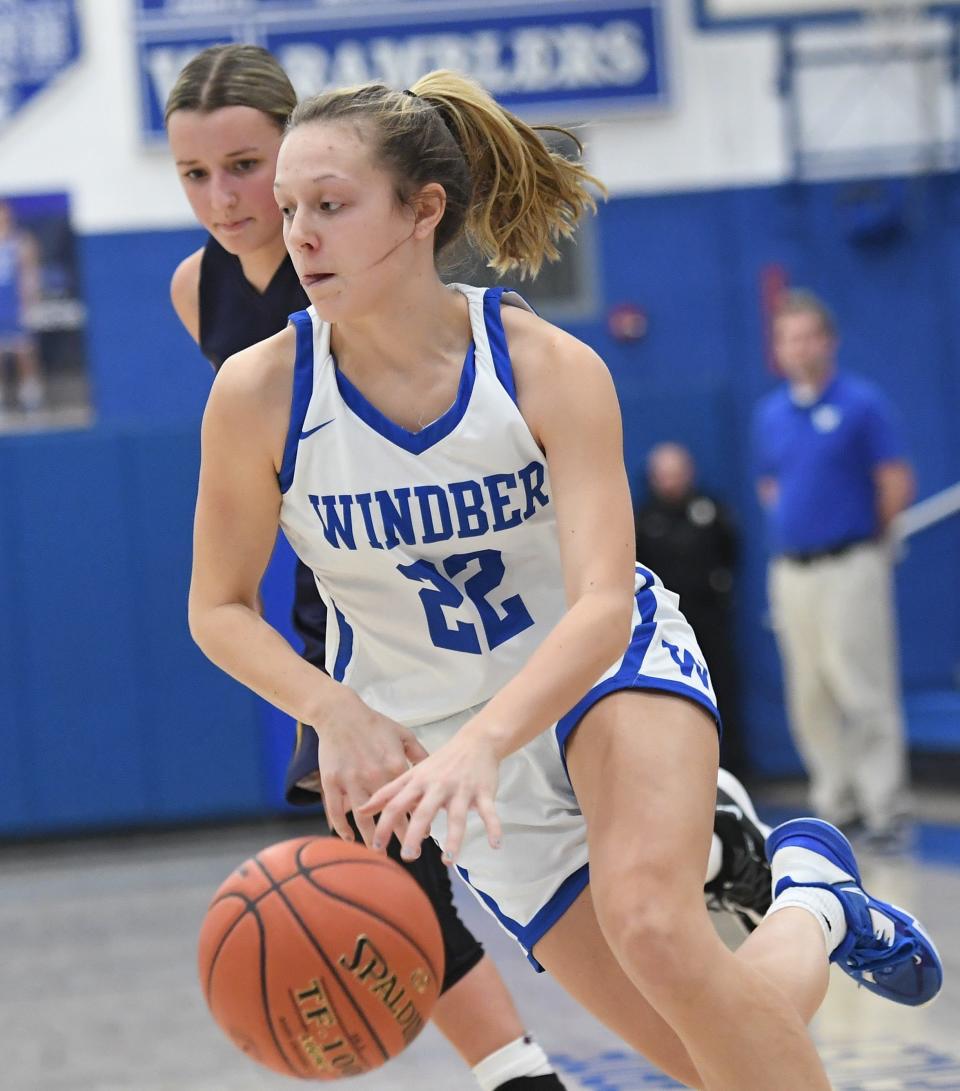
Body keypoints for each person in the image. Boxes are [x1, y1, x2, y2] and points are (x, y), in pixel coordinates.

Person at [186, 69, 941, 1088]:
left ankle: (788, 885)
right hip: (437, 733)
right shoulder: (259, 391)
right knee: (719, 1051)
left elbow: (599, 600)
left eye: (329, 204)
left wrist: (493, 740)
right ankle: (814, 897)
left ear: (422, 211)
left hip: (599, 667)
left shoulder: (543, 366)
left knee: (653, 926)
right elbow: (218, 608)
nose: (299, 233)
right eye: (288, 208)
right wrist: (333, 709)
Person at [755, 289, 915, 851]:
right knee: (810, 692)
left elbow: (894, 481)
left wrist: (864, 541)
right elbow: (770, 484)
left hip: (850, 563)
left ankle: (884, 808)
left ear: (828, 341)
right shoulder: (772, 412)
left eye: (806, 336)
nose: (796, 347)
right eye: (786, 337)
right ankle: (836, 802)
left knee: (863, 686)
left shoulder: (861, 403)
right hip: (792, 573)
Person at [634, 442, 745, 778]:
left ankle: (731, 770)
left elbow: (730, 551)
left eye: (676, 473)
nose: (670, 482)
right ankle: (676, 771)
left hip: (710, 617)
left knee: (721, 688)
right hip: (662, 626)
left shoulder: (710, 509)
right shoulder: (642, 519)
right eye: (663, 475)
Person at [0, 198, 44, 414]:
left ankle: (31, 397)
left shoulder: (21, 241)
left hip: (16, 304)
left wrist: (30, 303)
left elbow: (30, 274)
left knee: (24, 352)